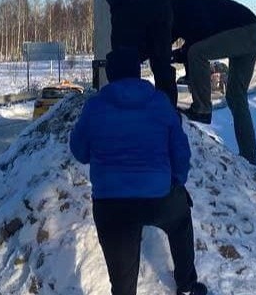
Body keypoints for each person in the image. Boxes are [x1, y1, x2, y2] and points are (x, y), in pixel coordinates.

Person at [70, 47, 207, 295]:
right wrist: (176, 182)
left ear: (110, 76)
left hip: (111, 204)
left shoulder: (94, 107)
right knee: (180, 222)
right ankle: (186, 284)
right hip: (159, 196)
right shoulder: (160, 102)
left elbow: (80, 152)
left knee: (122, 283)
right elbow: (180, 152)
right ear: (138, 73)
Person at [170, 0, 256, 166]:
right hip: (254, 31)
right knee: (236, 97)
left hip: (245, 30)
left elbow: (197, 39)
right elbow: (194, 36)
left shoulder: (184, 4)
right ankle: (250, 160)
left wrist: (180, 53)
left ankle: (202, 109)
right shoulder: (183, 5)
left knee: (197, 53)